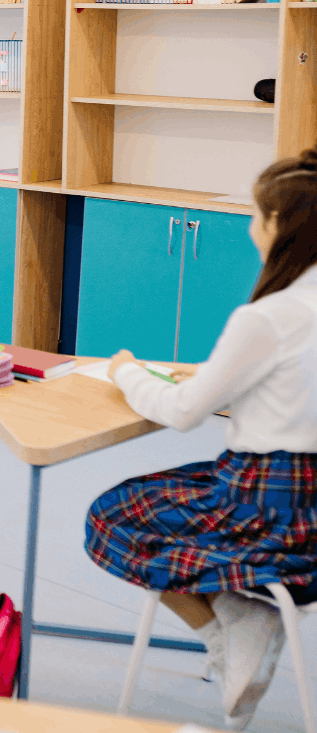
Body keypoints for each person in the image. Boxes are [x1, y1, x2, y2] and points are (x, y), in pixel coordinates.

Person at [85, 148, 317, 731]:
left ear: (280, 227)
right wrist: (215, 375)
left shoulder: (267, 317)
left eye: (256, 216)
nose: (250, 228)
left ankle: (225, 637)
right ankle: (242, 614)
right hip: (310, 512)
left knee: (113, 516)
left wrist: (125, 371)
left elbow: (182, 412)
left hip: (260, 502)